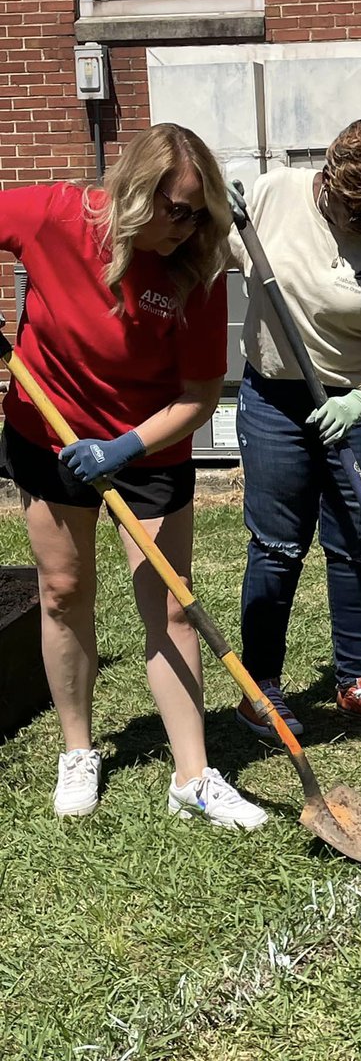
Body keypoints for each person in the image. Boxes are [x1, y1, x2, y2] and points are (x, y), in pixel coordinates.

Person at [0, 123, 266, 828]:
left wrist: (122, 447)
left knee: (172, 605)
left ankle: (192, 775)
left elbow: (200, 396)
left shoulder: (200, 269)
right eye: (174, 209)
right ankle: (78, 749)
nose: (185, 226)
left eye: (198, 212)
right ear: (133, 191)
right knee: (62, 590)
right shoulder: (57, 215)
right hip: (46, 432)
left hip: (148, 446)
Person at [229, 118, 361, 738]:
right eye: (353, 211)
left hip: (359, 405)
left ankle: (354, 677)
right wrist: (213, 213)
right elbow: (195, 259)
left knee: (356, 541)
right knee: (278, 546)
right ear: (329, 180)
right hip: (275, 403)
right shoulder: (270, 196)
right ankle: (259, 688)